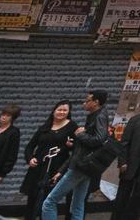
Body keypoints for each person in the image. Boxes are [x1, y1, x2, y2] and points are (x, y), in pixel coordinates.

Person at [42, 91, 112, 220]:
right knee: (77, 204)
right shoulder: (96, 115)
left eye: (87, 100)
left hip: (80, 166)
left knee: (49, 202)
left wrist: (80, 134)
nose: (84, 103)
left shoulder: (99, 116)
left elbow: (99, 139)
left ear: (96, 102)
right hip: (85, 166)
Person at [22, 100, 78, 220]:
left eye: (65, 110)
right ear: (54, 111)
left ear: (69, 112)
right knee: (32, 198)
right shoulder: (45, 126)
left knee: (48, 200)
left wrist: (69, 146)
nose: (61, 112)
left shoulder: (72, 126)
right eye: (59, 109)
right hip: (38, 166)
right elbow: (30, 146)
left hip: (55, 168)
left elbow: (76, 149)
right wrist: (30, 159)